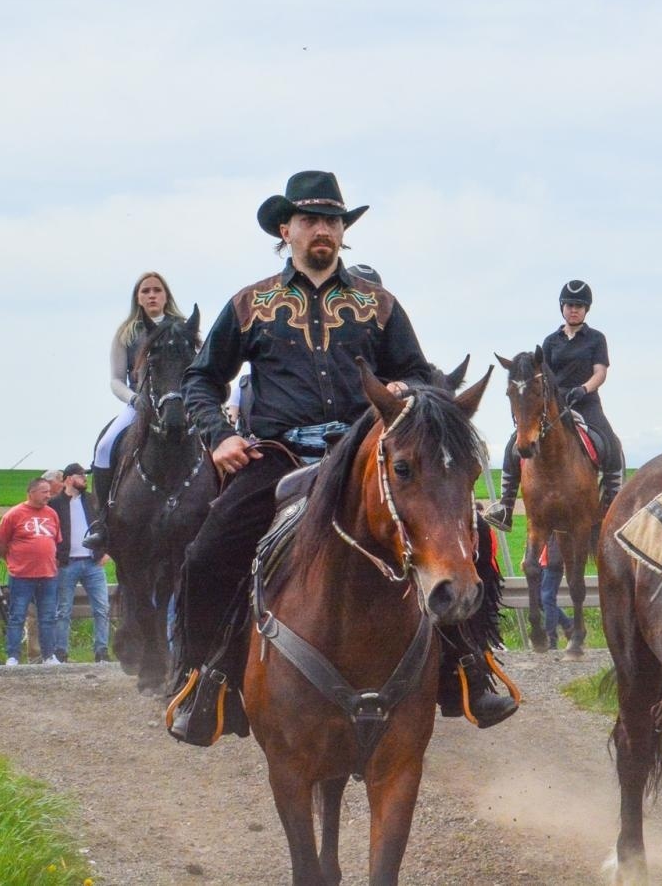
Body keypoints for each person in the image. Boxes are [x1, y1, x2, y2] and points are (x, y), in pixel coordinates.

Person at [168, 170, 516, 746]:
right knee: (208, 551)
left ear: (342, 232)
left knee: (465, 534)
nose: (322, 230)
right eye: (310, 220)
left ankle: (467, 666)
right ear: (287, 229)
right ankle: (208, 679)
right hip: (279, 457)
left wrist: (410, 392)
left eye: (332, 220)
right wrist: (218, 437)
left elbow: (419, 373)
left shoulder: (378, 304)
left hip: (365, 457)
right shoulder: (249, 304)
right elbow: (202, 379)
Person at [484, 280, 625, 531]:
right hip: (555, 403)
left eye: (580, 306)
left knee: (611, 441)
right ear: (562, 307)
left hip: (586, 401)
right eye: (570, 305)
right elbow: (543, 374)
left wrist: (584, 388)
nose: (574, 310)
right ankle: (505, 506)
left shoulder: (595, 339)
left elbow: (600, 372)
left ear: (587, 310)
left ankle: (614, 500)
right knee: (513, 444)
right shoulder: (550, 341)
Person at [86, 271, 187, 550]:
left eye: (157, 290)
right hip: (141, 402)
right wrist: (133, 399)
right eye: (145, 291)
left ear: (166, 295)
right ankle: (102, 522)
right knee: (105, 446)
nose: (151, 295)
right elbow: (116, 378)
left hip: (179, 402)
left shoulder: (183, 328)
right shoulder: (127, 333)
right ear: (138, 298)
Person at [0, 477, 61, 666]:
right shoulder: (14, 514)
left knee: (48, 617)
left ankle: (49, 655)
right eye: (44, 492)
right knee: (17, 615)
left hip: (48, 574)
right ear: (31, 493)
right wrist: (12, 561)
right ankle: (13, 656)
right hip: (22, 576)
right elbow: (1, 544)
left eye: (49, 492)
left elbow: (55, 540)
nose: (48, 495)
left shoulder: (51, 514)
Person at [50, 463, 108, 664]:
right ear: (68, 479)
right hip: (67, 563)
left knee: (102, 608)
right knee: (63, 610)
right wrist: (55, 555)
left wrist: (106, 550)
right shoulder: (55, 504)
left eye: (85, 475)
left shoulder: (93, 500)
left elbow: (106, 525)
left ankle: (101, 651)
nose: (85, 478)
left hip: (93, 561)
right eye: (80, 475)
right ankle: (60, 652)